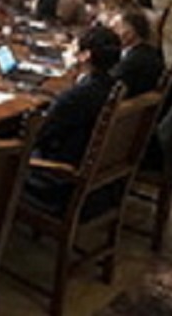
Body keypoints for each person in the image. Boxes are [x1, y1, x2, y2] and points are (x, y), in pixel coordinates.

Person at [25, 25, 122, 214]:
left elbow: (36, 138)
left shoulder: (75, 98)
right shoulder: (112, 87)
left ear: (84, 55)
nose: (67, 51)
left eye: (72, 47)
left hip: (57, 184)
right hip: (98, 185)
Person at [110, 6, 165, 98]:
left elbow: (108, 83)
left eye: (116, 28)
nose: (110, 34)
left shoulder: (136, 60)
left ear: (130, 33)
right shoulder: (140, 51)